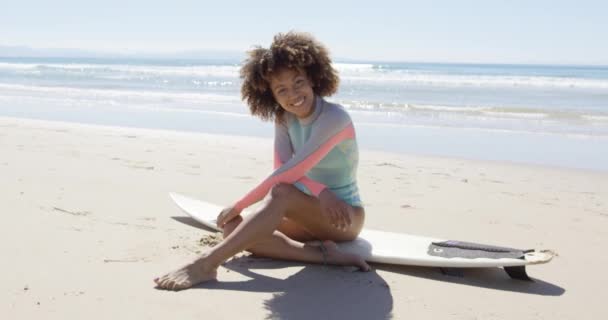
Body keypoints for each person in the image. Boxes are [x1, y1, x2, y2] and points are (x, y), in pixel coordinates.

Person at [155, 31, 369, 291]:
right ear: (271, 96)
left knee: (279, 193)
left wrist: (240, 204)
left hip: (343, 217)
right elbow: (282, 170)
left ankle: (205, 264)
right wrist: (320, 191)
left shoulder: (334, 119)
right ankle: (323, 256)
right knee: (232, 229)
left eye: (298, 82)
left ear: (312, 78)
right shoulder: (284, 119)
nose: (293, 94)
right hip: (303, 214)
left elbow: (289, 174)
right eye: (281, 90)